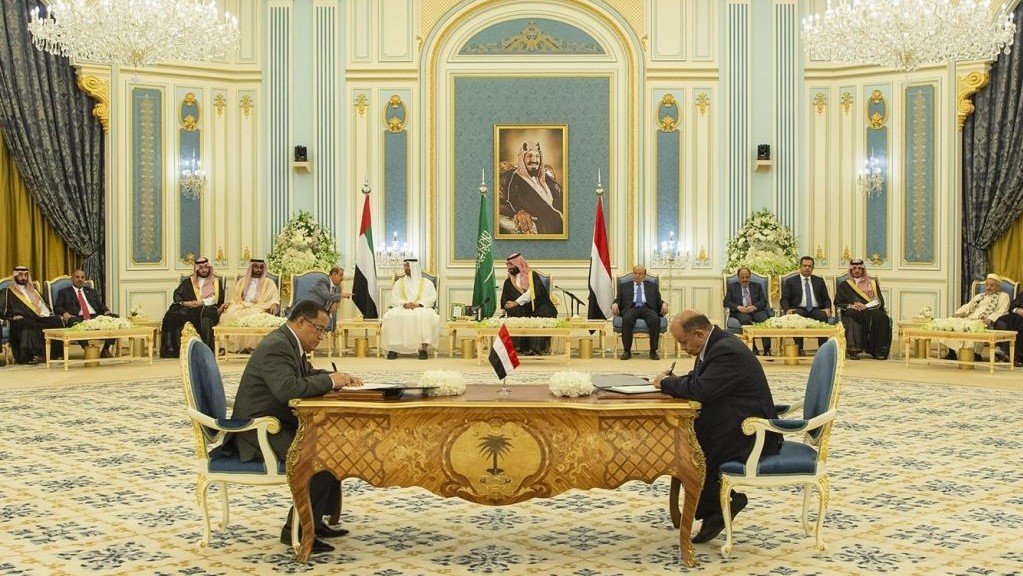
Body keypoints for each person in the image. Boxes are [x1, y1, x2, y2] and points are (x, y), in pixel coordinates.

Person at [227, 299, 363, 554]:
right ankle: (297, 531)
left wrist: (337, 378)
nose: (322, 336)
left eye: (325, 330)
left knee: (333, 447)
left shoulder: (289, 342)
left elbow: (305, 374)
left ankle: (314, 520)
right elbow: (287, 390)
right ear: (301, 322)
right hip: (258, 431)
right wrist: (330, 382)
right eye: (319, 329)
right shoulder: (277, 346)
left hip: (276, 424)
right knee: (320, 456)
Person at [652, 310, 781, 544]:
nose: (682, 348)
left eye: (683, 342)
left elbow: (700, 390)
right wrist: (674, 382)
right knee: (688, 435)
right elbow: (698, 380)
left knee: (693, 446)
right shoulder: (715, 344)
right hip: (735, 419)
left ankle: (721, 507)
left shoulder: (725, 350)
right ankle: (720, 505)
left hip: (752, 433)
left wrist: (666, 383)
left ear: (699, 334)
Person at [159, 257, 225, 358]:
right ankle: (177, 350)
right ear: (196, 269)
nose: (204, 270)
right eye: (201, 267)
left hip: (207, 308)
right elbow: (177, 295)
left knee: (205, 317)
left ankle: (206, 350)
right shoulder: (188, 282)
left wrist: (202, 303)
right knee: (174, 315)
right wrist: (187, 303)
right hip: (190, 309)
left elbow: (218, 299)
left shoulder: (215, 282)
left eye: (206, 267)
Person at [0, 266, 64, 364]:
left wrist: (44, 314)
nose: (23, 278)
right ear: (15, 276)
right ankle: (28, 356)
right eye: (20, 275)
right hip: (20, 320)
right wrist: (12, 317)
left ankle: (53, 355)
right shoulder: (7, 292)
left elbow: (44, 306)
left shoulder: (33, 291)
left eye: (26, 275)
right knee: (28, 324)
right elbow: (1, 309)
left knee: (56, 320)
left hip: (38, 318)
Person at [498, 142, 564, 235]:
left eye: (537, 156)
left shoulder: (547, 178)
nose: (534, 160)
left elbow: (561, 198)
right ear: (522, 158)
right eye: (529, 156)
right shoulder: (510, 178)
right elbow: (497, 201)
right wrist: (516, 212)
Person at [834, 258, 892, 360]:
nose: (857, 270)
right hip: (853, 310)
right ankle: (854, 349)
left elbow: (878, 301)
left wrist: (865, 306)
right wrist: (851, 306)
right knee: (852, 315)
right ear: (851, 270)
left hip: (869, 309)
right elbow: (838, 302)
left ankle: (879, 351)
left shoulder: (871, 283)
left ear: (863, 270)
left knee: (882, 317)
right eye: (854, 268)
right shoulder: (845, 285)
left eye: (859, 268)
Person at [942, 273, 1010, 360]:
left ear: (998, 287)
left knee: (975, 326)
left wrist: (990, 319)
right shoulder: (979, 296)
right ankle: (952, 353)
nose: (988, 287)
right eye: (987, 285)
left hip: (984, 321)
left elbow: (1003, 311)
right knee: (953, 323)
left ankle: (976, 354)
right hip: (970, 318)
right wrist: (960, 313)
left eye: (992, 285)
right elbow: (968, 306)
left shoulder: (1003, 296)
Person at [500, 253, 558, 355]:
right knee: (515, 312)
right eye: (508, 265)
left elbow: (532, 293)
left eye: (511, 264)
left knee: (546, 312)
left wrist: (516, 302)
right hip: (521, 308)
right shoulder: (508, 282)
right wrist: (506, 304)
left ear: (518, 264)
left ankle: (537, 348)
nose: (508, 267)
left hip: (538, 305)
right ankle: (519, 348)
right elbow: (504, 299)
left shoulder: (532, 276)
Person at [219, 259, 281, 353]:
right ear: (251, 267)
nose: (258, 270)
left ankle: (250, 347)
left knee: (254, 315)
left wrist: (274, 304)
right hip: (241, 304)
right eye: (256, 267)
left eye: (261, 267)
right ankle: (227, 346)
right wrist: (229, 303)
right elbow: (235, 297)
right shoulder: (242, 281)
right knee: (229, 314)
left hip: (259, 306)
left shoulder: (269, 282)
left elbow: (275, 297)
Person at [383, 259, 439, 360]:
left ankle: (423, 349)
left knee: (424, 317)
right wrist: (404, 304)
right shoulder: (399, 283)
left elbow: (432, 298)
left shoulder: (427, 283)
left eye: (408, 266)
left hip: (421, 307)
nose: (406, 269)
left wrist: (419, 304)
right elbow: (394, 298)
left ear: (414, 267)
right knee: (391, 316)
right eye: (405, 266)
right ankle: (393, 349)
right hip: (403, 307)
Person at [53, 269, 116, 358]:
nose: (80, 279)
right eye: (77, 277)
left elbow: (100, 305)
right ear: (72, 279)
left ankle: (105, 349)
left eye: (82, 277)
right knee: (74, 322)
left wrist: (107, 311)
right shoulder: (64, 292)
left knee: (114, 317)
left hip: (94, 317)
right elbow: (57, 307)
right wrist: (64, 313)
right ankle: (87, 348)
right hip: (76, 317)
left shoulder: (91, 291)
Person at [612, 264, 666, 360]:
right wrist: (615, 304)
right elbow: (618, 299)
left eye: (640, 274)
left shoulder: (652, 286)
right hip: (631, 307)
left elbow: (658, 300)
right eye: (635, 273)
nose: (637, 275)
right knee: (627, 319)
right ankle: (627, 351)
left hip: (647, 307)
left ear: (644, 275)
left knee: (655, 319)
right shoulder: (624, 286)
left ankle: (653, 351)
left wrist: (664, 304)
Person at [780, 256, 832, 354]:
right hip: (799, 308)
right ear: (800, 267)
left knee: (823, 315)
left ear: (813, 268)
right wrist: (787, 310)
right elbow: (784, 299)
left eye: (810, 266)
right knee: (796, 317)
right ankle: (799, 348)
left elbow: (826, 298)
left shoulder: (819, 281)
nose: (807, 268)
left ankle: (822, 349)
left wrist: (827, 308)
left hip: (816, 309)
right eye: (805, 266)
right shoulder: (791, 281)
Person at [722, 266, 772, 356]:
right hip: (741, 312)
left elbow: (763, 301)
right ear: (738, 277)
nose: (745, 279)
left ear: (750, 276)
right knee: (745, 320)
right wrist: (738, 307)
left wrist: (754, 306)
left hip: (755, 311)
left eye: (747, 277)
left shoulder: (757, 286)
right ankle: (753, 348)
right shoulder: (732, 287)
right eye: (742, 277)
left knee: (764, 320)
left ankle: (767, 349)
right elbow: (726, 302)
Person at [994, 288, 1023, 367]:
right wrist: (1017, 310)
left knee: (1020, 325)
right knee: (1002, 321)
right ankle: (1005, 352)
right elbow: (1014, 304)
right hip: (1018, 316)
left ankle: (1018, 357)